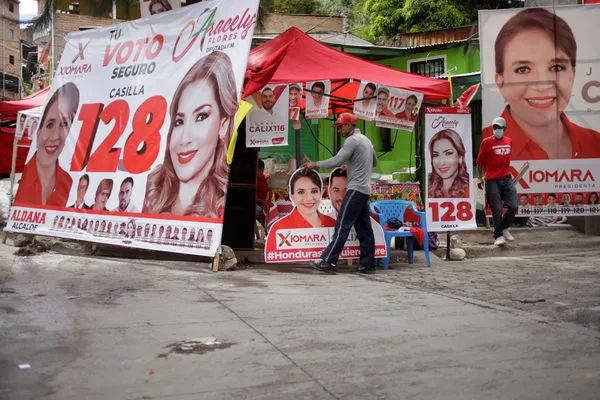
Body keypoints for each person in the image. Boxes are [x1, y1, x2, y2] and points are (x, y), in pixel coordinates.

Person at [484, 7, 600, 160]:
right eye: (523, 69)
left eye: (556, 67)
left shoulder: (595, 143)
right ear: (500, 80)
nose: (542, 85)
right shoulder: (488, 144)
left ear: (573, 74)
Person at [143, 51, 236, 218]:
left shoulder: (225, 207)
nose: (184, 139)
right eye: (179, 122)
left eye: (201, 117)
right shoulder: (150, 192)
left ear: (224, 124)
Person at [304, 112, 378, 274]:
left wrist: (315, 164)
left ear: (350, 125)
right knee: (364, 228)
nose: (339, 130)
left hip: (356, 189)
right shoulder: (366, 140)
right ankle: (368, 263)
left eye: (341, 126)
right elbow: (373, 162)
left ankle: (329, 261)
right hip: (365, 189)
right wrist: (352, 166)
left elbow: (336, 161)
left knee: (342, 225)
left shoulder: (352, 141)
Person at [14, 82, 80, 206]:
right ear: (38, 132)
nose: (55, 137)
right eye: (50, 125)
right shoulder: (25, 178)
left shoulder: (68, 182)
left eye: (64, 124)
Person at [476, 116, 518, 247]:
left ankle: (504, 227)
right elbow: (480, 162)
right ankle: (498, 235)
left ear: (504, 128)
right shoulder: (486, 142)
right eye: (495, 127)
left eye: (499, 127)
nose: (497, 129)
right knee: (497, 209)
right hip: (492, 180)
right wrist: (479, 177)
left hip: (506, 178)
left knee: (513, 206)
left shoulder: (509, 141)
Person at [266, 168, 336, 234]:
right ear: (292, 196)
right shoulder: (278, 229)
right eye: (301, 192)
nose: (308, 198)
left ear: (322, 192)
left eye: (314, 191)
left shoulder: (332, 224)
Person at [428, 129, 470, 199]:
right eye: (436, 155)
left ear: (460, 157)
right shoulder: (428, 186)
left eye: (448, 153)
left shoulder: (469, 187)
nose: (441, 162)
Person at [256, 159, 269, 223]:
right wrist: (264, 202)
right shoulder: (254, 181)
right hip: (258, 205)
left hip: (267, 204)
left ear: (261, 169)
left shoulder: (266, 178)